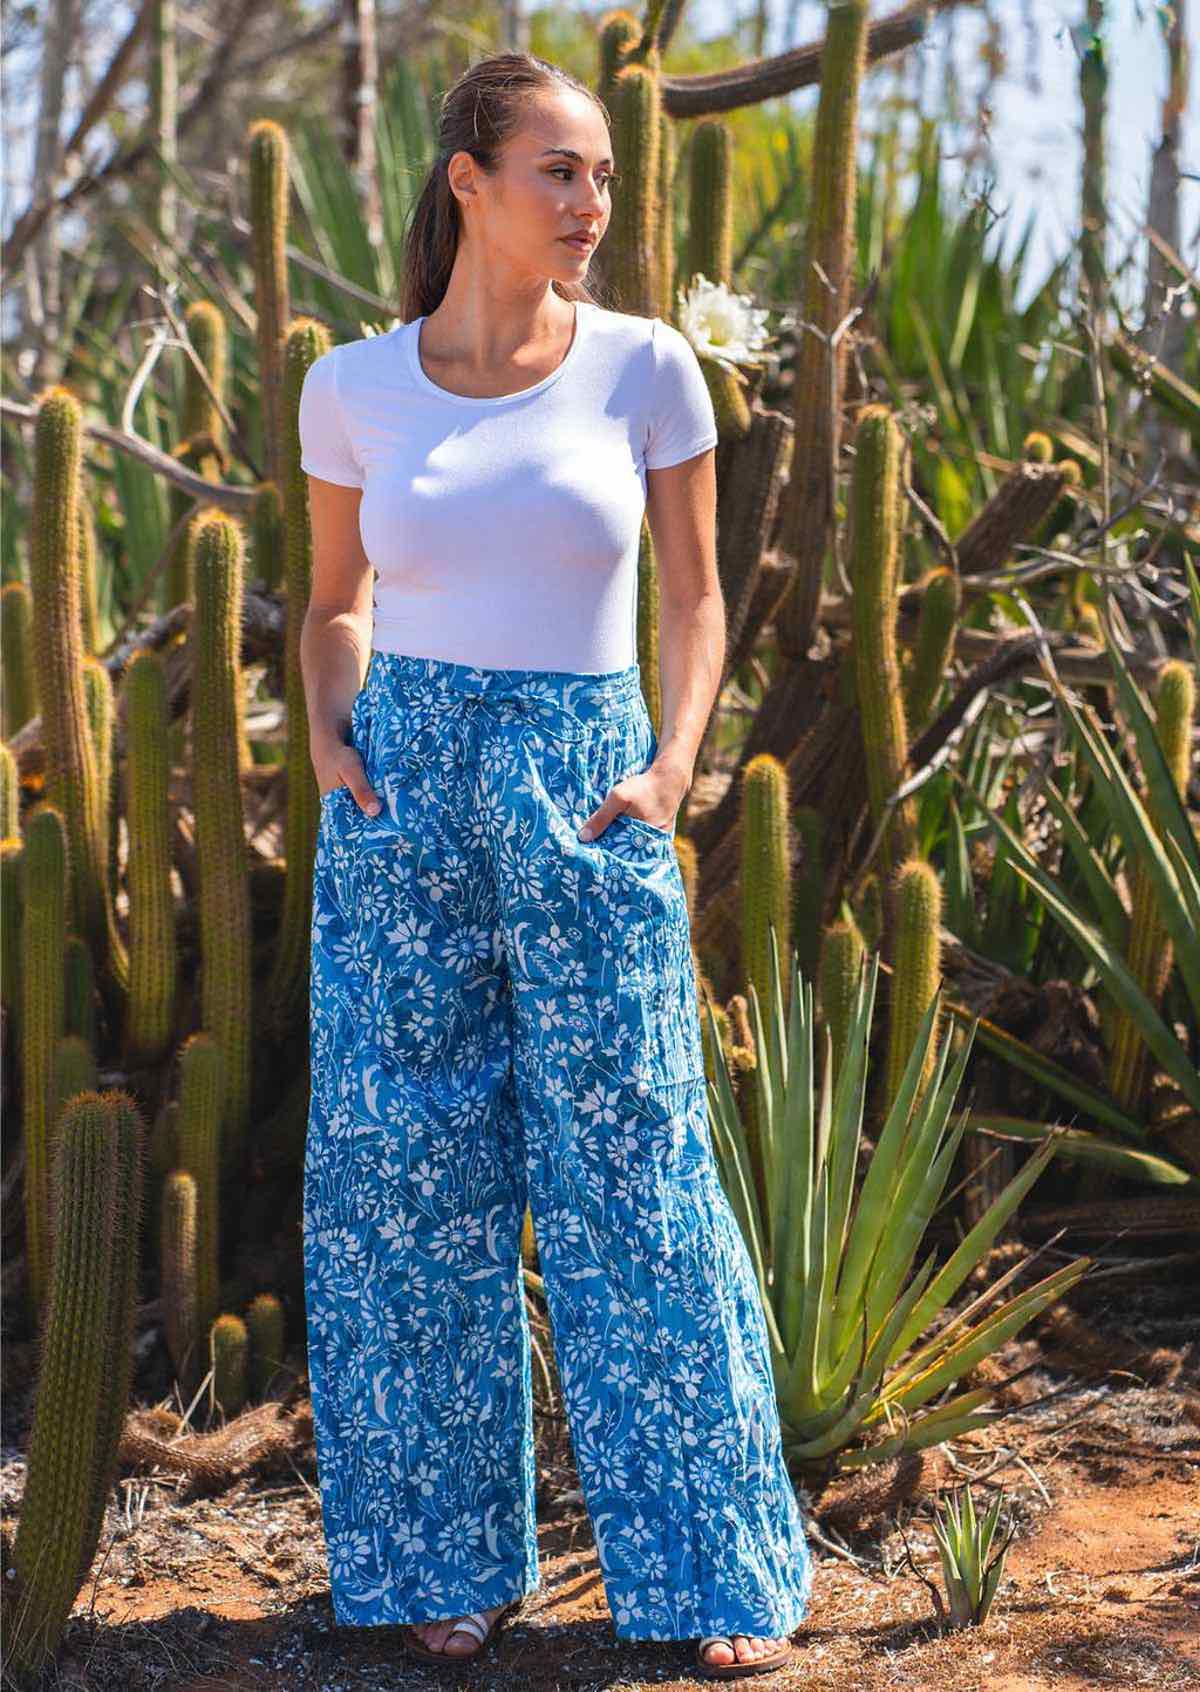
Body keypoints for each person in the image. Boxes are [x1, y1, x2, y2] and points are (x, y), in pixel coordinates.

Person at [296, 48, 812, 1681]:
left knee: (635, 1167)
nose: (593, 204)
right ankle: (432, 1570)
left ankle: (710, 1575)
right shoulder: (353, 386)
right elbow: (328, 602)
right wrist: (330, 737)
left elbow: (697, 595)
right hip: (406, 783)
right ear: (470, 181)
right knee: (401, 1181)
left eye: (601, 177)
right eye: (559, 173)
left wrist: (671, 768)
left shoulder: (652, 369)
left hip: (590, 780)